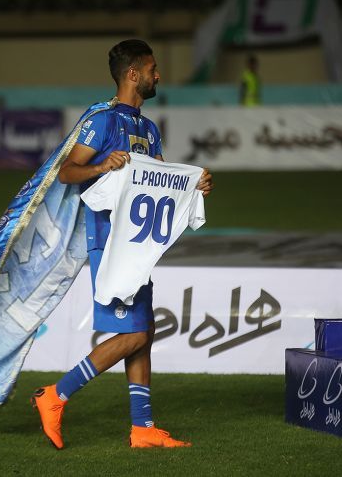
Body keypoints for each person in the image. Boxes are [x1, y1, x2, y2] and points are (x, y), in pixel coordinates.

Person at [31, 39, 213, 450]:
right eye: (152, 69)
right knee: (134, 335)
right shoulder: (103, 121)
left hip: (138, 245)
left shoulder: (148, 129)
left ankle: (143, 428)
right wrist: (100, 167)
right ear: (133, 74)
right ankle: (55, 395)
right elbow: (66, 172)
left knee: (144, 331)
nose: (157, 75)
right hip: (109, 243)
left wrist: (194, 185)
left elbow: (162, 181)